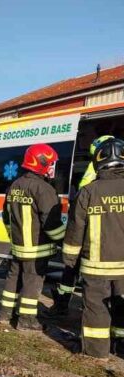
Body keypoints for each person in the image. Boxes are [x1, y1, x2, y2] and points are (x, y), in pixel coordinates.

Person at [62, 137, 124, 359]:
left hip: (96, 267)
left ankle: (96, 353)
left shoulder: (88, 191)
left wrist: (69, 260)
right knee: (121, 306)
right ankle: (120, 344)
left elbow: (75, 229)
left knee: (96, 309)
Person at [0, 143, 65, 330]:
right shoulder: (44, 189)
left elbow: (6, 216)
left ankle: (5, 314)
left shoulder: (15, 185)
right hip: (36, 249)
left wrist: (14, 237)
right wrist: (64, 241)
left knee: (13, 279)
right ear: (41, 163)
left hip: (18, 246)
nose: (52, 167)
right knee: (32, 282)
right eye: (50, 163)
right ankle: (26, 321)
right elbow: (51, 224)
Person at [48, 135, 115, 317]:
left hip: (91, 232)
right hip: (109, 234)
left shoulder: (93, 172)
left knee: (72, 271)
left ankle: (62, 304)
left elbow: (81, 199)